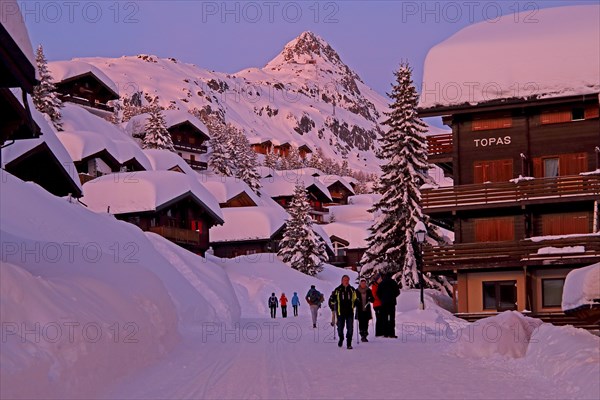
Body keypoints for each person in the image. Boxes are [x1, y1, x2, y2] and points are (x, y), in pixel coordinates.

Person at [333, 275, 357, 349]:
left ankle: (349, 343)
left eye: (347, 280)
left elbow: (355, 298)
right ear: (342, 281)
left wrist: (356, 302)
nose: (346, 281)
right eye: (345, 280)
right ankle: (341, 338)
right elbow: (332, 299)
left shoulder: (352, 290)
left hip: (350, 312)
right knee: (340, 328)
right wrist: (332, 301)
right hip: (340, 313)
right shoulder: (338, 290)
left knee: (350, 328)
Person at [377, 272, 400, 338]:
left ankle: (385, 333)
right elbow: (398, 292)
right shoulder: (393, 283)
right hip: (392, 303)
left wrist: (382, 298)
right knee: (392, 318)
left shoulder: (382, 283)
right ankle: (392, 333)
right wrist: (393, 296)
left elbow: (378, 293)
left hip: (384, 303)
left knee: (385, 318)